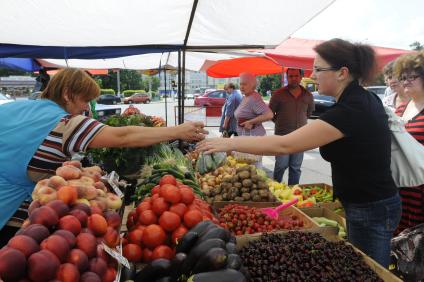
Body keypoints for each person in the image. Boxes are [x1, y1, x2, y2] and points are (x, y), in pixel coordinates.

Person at [198, 38, 400, 268]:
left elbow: (285, 145)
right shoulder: (360, 100)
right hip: (368, 204)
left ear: (342, 73)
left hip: (370, 208)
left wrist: (228, 144)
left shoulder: (351, 109)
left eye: (318, 69)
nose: (311, 75)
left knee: (371, 270)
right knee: (365, 266)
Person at [0, 68, 207, 229]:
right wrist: (178, 131)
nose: (86, 108)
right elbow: (124, 136)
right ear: (66, 94)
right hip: (9, 213)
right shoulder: (66, 123)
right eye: (85, 100)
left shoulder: (15, 108)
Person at [393, 50, 424, 233]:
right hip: (399, 188)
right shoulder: (400, 109)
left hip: (420, 192)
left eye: (413, 76)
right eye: (403, 77)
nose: (406, 81)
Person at [269, 68, 314, 184]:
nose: (293, 78)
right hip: (282, 136)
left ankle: (293, 194)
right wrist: (279, 122)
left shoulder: (308, 95)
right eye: (290, 76)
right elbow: (270, 113)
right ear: (287, 77)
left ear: (300, 77)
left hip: (300, 137)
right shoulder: (278, 94)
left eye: (296, 76)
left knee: (295, 167)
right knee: (281, 165)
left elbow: (309, 113)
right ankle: (276, 190)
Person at [234, 72, 273, 137]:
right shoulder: (246, 97)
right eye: (240, 84)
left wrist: (250, 122)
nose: (241, 87)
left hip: (254, 138)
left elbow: (269, 115)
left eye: (245, 84)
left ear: (252, 85)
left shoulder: (253, 98)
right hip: (247, 137)